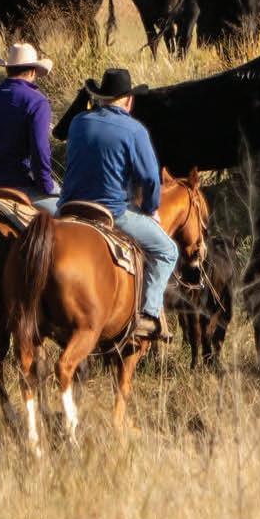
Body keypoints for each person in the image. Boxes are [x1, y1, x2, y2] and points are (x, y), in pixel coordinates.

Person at [59, 66, 177, 340]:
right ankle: (148, 314)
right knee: (167, 251)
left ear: (100, 97)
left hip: (68, 207)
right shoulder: (134, 130)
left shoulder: (78, 122)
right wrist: (150, 209)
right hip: (112, 212)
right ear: (129, 100)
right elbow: (150, 179)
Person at [0, 42, 59, 210]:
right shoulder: (37, 102)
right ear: (32, 71)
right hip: (21, 185)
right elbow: (40, 151)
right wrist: (46, 186)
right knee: (64, 212)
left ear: (7, 69)